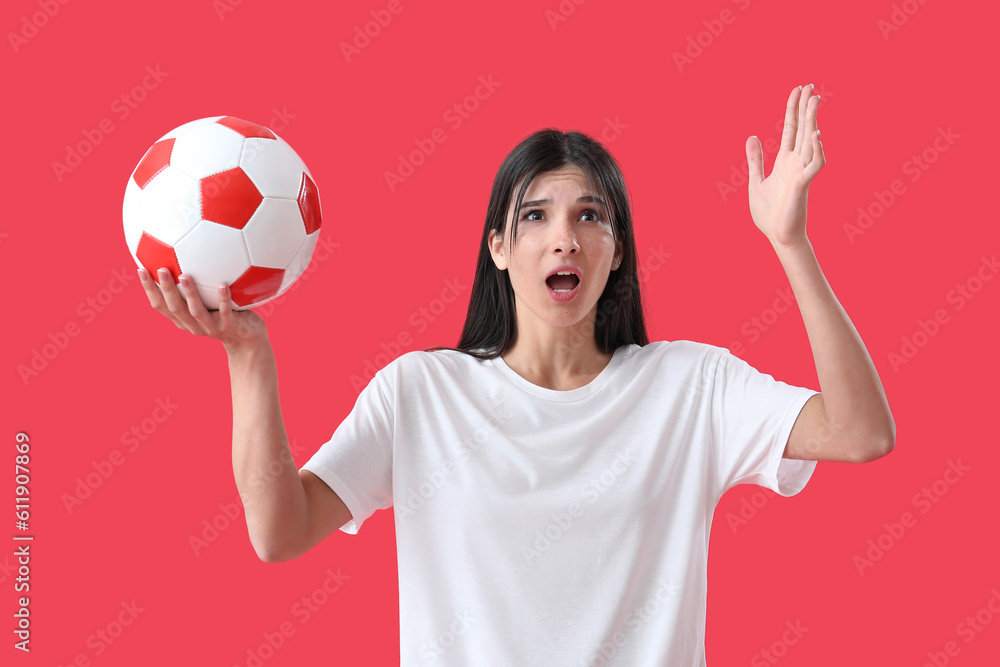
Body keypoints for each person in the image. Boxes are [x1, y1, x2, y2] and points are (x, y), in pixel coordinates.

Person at [139, 83, 895, 665]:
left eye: (590, 215)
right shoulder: (419, 393)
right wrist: (247, 354)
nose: (563, 237)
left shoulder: (691, 387)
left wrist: (791, 243)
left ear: (619, 249)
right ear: (497, 247)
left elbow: (861, 432)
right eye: (534, 216)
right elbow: (278, 530)